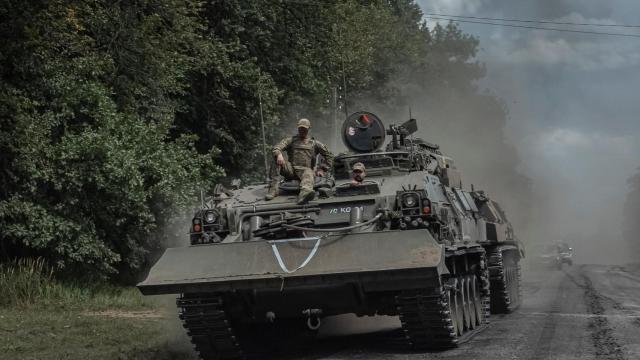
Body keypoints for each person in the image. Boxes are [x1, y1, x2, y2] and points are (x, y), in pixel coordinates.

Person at [265, 118, 334, 204]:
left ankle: (304, 194)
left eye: (305, 128)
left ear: (309, 129)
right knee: (276, 159)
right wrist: (279, 154)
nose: (302, 130)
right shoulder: (291, 140)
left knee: (308, 172)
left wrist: (322, 169)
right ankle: (273, 189)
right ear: (298, 128)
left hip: (306, 171)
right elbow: (277, 148)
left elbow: (329, 155)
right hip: (291, 170)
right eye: (301, 128)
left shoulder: (315, 143)